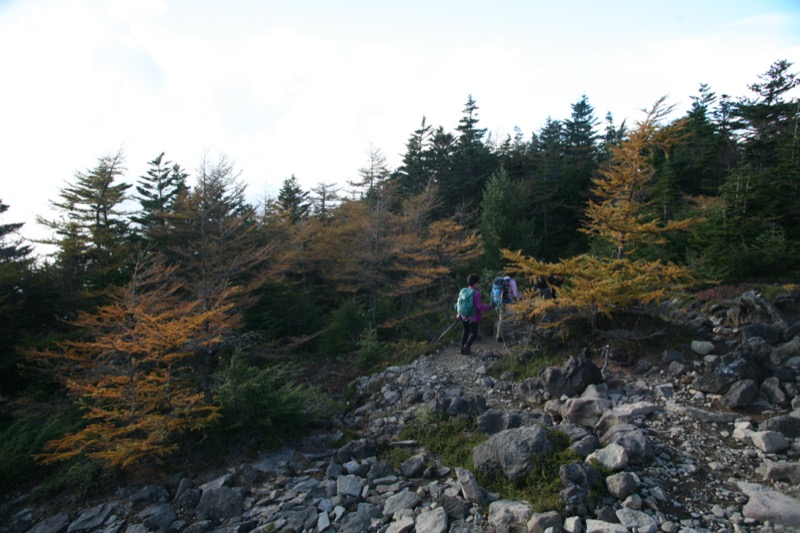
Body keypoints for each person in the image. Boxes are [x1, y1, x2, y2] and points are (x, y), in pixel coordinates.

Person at [456, 274, 493, 355]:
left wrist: (458, 313)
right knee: (474, 333)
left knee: (465, 331)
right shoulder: (476, 293)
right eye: (478, 282)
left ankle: (461, 349)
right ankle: (467, 345)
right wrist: (490, 306)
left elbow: (459, 303)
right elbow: (480, 307)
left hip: (462, 315)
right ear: (475, 283)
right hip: (473, 316)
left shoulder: (463, 291)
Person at [495, 272, 521, 342]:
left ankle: (498, 336)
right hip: (509, 302)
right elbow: (515, 294)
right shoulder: (512, 281)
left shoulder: (502, 280)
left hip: (501, 302)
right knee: (511, 318)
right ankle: (511, 336)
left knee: (501, 319)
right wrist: (521, 296)